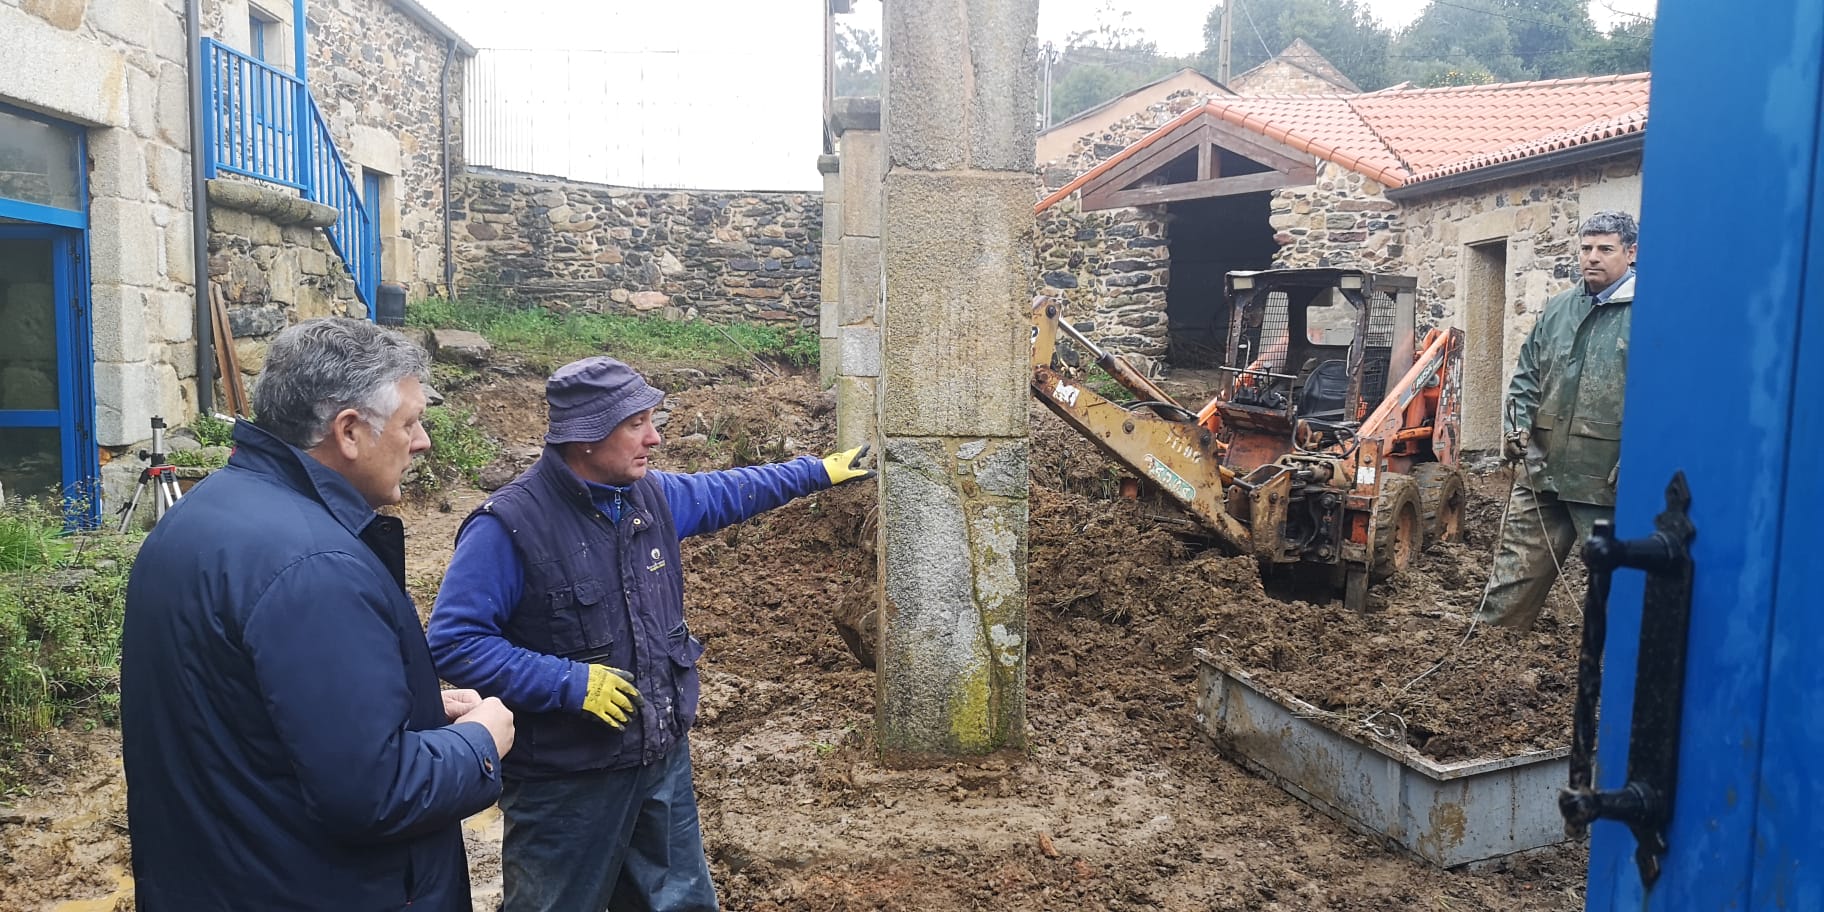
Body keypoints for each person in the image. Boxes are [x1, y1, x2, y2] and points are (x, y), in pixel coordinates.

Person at [427, 355, 875, 912]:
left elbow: (735, 490)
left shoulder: (651, 498)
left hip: (658, 763)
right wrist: (569, 683)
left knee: (681, 903)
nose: (655, 438)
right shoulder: (509, 527)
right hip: (567, 784)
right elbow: (455, 641)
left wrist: (819, 471)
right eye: (636, 423)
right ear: (586, 436)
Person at [121, 318, 516, 910]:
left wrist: (415, 705)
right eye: (410, 422)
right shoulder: (316, 566)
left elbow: (255, 715)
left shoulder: (206, 511)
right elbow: (374, 793)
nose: (423, 440)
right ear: (350, 431)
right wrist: (480, 742)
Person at [1477, 210, 1639, 628]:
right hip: (1542, 470)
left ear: (1631, 253)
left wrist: (1636, 459)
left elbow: (1663, 399)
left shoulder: (1650, 315)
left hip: (1604, 481)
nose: (1593, 258)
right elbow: (1528, 374)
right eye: (1586, 248)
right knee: (1513, 575)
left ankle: (1616, 673)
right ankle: (1488, 655)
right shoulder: (1559, 309)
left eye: (1605, 248)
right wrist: (1518, 426)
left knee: (1615, 584)